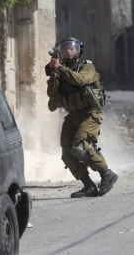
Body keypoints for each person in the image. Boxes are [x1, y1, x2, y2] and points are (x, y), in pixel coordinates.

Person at [46, 37, 118, 198]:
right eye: (65, 48)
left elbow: (81, 80)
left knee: (79, 148)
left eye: (72, 48)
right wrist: (54, 73)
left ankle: (107, 174)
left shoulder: (87, 67)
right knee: (67, 154)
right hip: (72, 117)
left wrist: (62, 69)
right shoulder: (60, 70)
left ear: (79, 51)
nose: (69, 50)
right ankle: (88, 186)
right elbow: (51, 94)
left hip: (90, 114)